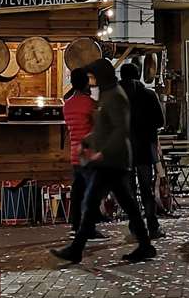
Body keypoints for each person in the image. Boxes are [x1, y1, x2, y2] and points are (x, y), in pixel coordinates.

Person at [54, 59, 155, 264]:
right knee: (126, 202)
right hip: (111, 159)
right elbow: (103, 128)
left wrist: (101, 152)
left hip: (112, 159)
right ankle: (145, 245)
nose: (92, 81)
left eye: (94, 77)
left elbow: (120, 129)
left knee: (92, 201)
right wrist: (86, 141)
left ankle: (77, 249)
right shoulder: (108, 95)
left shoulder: (115, 96)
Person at [120, 62, 166, 240]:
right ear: (138, 75)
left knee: (129, 191)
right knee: (146, 189)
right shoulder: (148, 94)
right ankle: (153, 227)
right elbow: (160, 121)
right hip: (145, 150)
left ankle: (135, 226)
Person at [61, 66, 96, 234]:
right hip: (89, 153)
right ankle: (88, 228)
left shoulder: (67, 105)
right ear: (85, 83)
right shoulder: (89, 104)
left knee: (78, 191)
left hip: (74, 152)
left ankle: (75, 226)